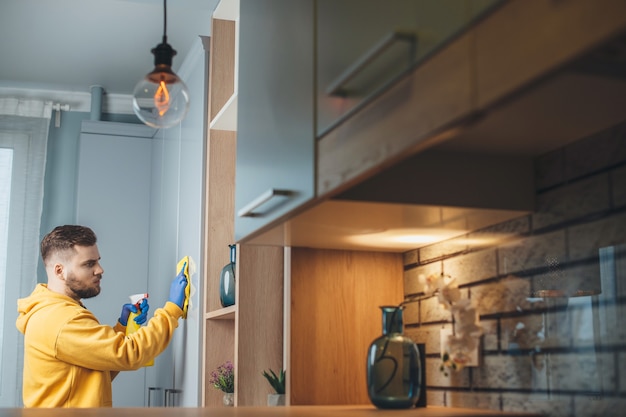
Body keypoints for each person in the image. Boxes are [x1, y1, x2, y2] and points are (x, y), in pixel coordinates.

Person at [15, 225, 188, 408]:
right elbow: (129, 353)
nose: (100, 270)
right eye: (89, 264)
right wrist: (172, 309)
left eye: (97, 261)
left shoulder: (51, 311)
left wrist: (122, 326)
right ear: (60, 271)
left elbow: (97, 367)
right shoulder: (62, 320)